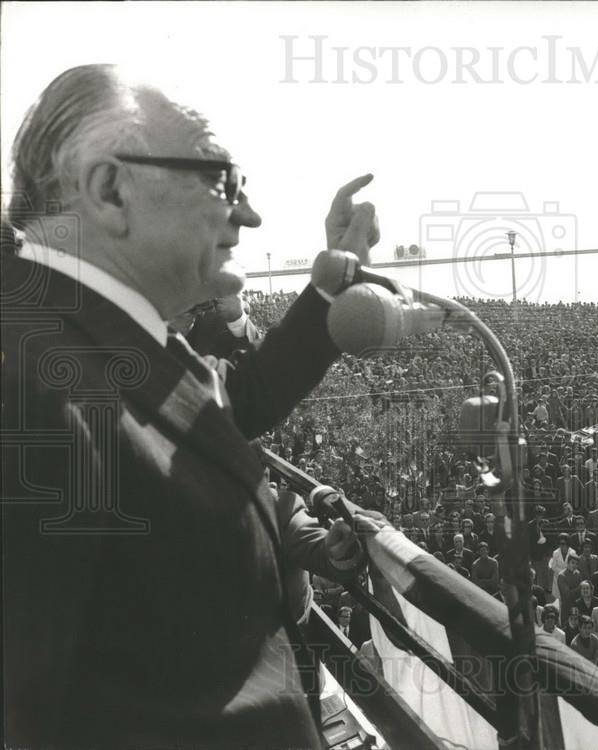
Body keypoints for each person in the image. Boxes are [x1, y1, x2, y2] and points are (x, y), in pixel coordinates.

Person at [2, 64, 379, 748]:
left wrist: (325, 294)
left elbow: (230, 401)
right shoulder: (28, 385)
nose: (248, 213)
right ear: (111, 190)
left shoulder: (91, 336)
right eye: (221, 180)